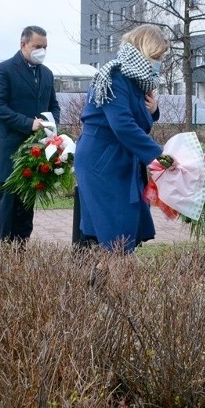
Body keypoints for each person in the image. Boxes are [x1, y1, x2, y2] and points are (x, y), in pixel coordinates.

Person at [75, 24, 166, 252]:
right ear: (144, 50)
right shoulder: (116, 75)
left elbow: (138, 119)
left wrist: (153, 110)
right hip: (102, 160)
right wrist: (160, 157)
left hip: (118, 157)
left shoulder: (137, 78)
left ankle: (109, 280)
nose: (158, 61)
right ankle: (109, 281)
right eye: (156, 56)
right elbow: (123, 125)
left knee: (124, 226)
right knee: (115, 228)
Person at [0, 25, 60, 244]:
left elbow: (53, 105)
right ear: (23, 44)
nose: (42, 51)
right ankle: (7, 253)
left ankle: (22, 251)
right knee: (9, 204)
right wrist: (29, 124)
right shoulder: (4, 70)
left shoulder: (46, 73)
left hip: (36, 151)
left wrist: (51, 125)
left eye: (45, 47)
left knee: (28, 204)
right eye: (37, 46)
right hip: (11, 149)